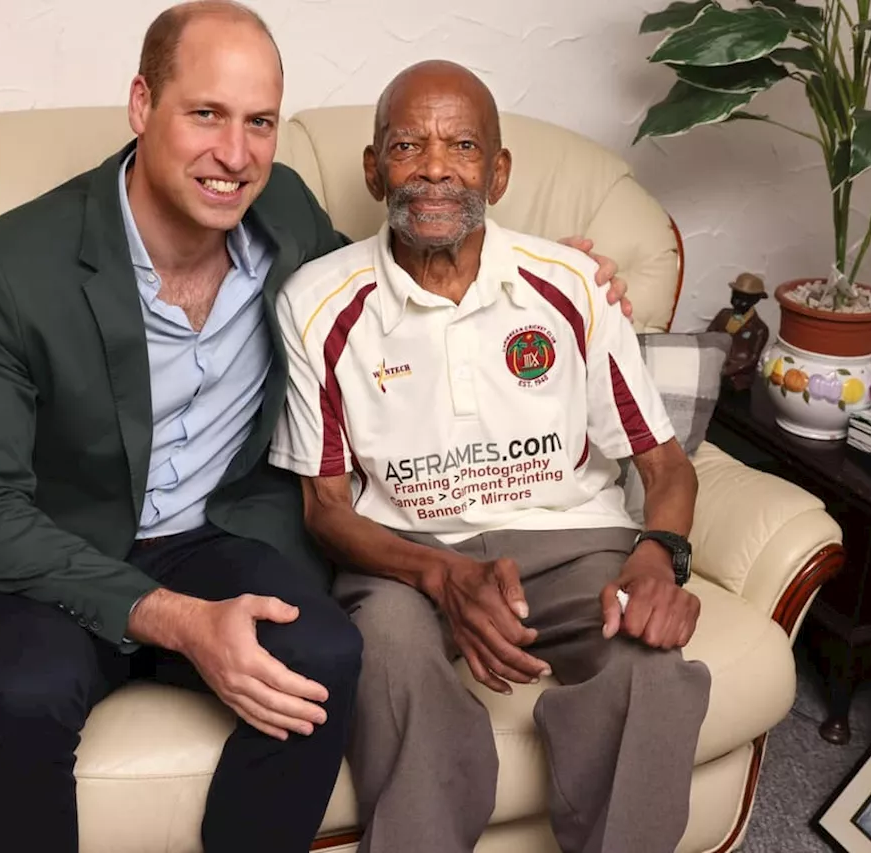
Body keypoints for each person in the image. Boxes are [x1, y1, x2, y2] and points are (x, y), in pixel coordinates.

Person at [0, 3, 635, 851]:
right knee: (25, 694)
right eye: (206, 114)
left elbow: (389, 288)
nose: (235, 155)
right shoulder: (2, 269)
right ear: (141, 105)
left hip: (212, 534)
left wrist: (550, 273)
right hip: (48, 547)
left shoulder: (285, 215)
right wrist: (178, 618)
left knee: (328, 654)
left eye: (259, 122)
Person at [267, 59, 711, 853]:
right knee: (394, 662)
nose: (435, 167)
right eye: (407, 145)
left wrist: (658, 554)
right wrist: (439, 573)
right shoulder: (317, 303)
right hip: (402, 555)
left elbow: (665, 464)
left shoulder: (573, 286)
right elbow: (325, 509)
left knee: (650, 666)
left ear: (497, 173)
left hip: (571, 543)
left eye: (463, 145)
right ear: (373, 171)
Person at [705, 272, 769, 391]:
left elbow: (751, 360)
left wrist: (726, 371)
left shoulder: (759, 329)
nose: (738, 301)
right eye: (736, 296)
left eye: (744, 299)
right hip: (713, 374)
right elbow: (708, 336)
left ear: (756, 300)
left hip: (737, 383)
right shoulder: (723, 314)